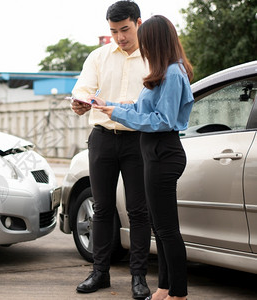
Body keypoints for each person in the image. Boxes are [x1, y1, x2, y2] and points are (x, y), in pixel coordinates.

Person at [91, 15, 194, 300]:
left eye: (146, 42)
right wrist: (107, 105)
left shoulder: (173, 73)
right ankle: (164, 287)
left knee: (167, 230)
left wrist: (120, 113)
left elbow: (162, 120)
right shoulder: (164, 73)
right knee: (160, 230)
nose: (142, 48)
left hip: (163, 152)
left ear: (156, 42)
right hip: (154, 152)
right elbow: (140, 108)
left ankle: (178, 294)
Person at [71, 1, 151, 298]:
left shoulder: (154, 56)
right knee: (102, 208)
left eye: (125, 29)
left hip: (137, 140)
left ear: (139, 23)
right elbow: (83, 89)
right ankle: (99, 272)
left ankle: (139, 277)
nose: (120, 37)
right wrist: (79, 102)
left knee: (139, 211)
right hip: (102, 138)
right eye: (114, 31)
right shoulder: (99, 56)